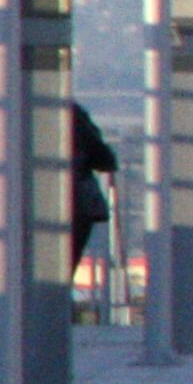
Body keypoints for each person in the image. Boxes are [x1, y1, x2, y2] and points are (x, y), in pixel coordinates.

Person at [67, 101, 120, 279]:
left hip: (18, 210)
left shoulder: (7, 114)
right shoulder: (72, 113)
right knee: (63, 269)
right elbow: (104, 159)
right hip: (76, 205)